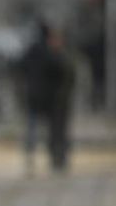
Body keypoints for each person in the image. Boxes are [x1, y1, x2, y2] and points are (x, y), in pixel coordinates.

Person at [17, 21, 74, 174]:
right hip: (49, 98)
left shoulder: (32, 50)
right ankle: (54, 158)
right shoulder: (50, 53)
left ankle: (30, 156)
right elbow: (60, 70)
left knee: (33, 129)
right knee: (52, 130)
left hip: (34, 97)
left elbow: (20, 66)